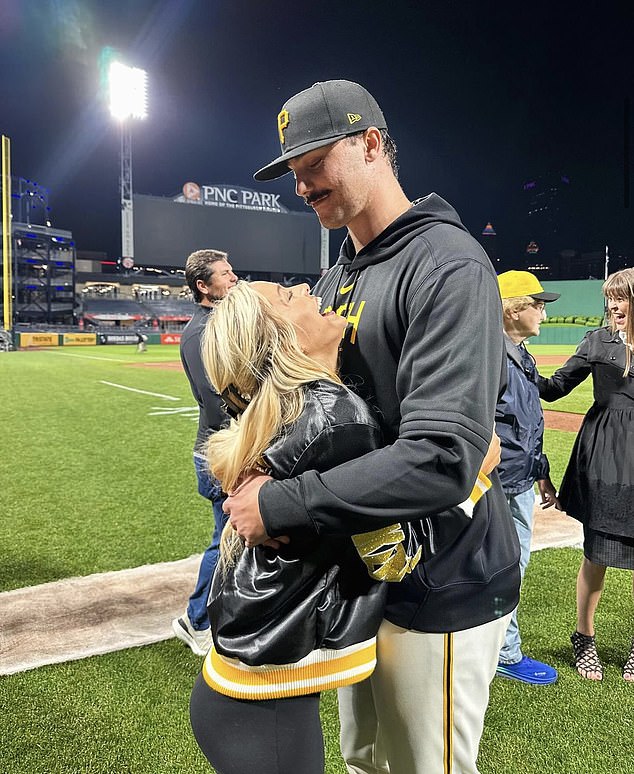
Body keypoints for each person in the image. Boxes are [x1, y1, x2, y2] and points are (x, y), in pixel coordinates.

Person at [224, 79, 521, 774]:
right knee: (363, 763)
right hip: (359, 572)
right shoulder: (333, 282)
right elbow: (318, 419)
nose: (301, 184)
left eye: (314, 163)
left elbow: (444, 456)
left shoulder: (444, 261)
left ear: (371, 144)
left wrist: (281, 502)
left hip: (442, 578)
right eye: (294, 172)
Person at [189, 280, 499, 774]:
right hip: (263, 705)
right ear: (285, 340)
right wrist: (471, 478)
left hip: (243, 689)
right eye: (288, 297)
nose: (306, 287)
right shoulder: (338, 420)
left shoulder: (298, 410)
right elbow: (391, 556)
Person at [538, 267, 634, 682]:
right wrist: (514, 363)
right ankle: (584, 637)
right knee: (597, 552)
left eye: (622, 297)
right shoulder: (598, 341)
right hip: (605, 456)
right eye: (610, 297)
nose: (613, 305)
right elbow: (556, 387)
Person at [493, 270, 561, 685]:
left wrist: (542, 475)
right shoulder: (490, 356)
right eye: (537, 305)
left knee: (509, 565)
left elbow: (529, 423)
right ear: (513, 309)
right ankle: (504, 652)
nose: (543, 314)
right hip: (495, 486)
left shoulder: (521, 354)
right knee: (507, 566)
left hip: (519, 480)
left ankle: (495, 645)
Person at [171, 249, 237, 656]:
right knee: (226, 539)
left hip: (227, 447)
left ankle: (219, 613)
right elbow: (216, 401)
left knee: (235, 539)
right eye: (225, 273)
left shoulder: (219, 322)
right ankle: (195, 621)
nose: (233, 277)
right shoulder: (201, 332)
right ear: (203, 285)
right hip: (220, 451)